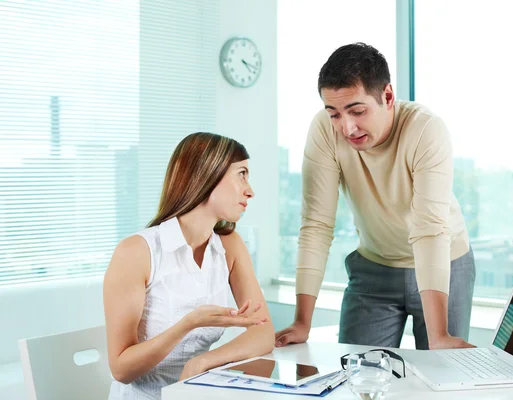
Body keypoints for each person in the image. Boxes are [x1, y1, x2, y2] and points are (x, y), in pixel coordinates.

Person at [275, 43, 476, 351]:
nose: (347, 127)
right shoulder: (324, 131)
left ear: (388, 96)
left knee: (441, 374)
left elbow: (430, 231)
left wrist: (439, 337)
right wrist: (302, 322)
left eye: (357, 111)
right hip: (374, 266)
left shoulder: (425, 130)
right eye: (334, 114)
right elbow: (316, 224)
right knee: (358, 376)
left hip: (444, 262)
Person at [104, 132, 275, 399]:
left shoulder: (230, 246)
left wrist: (202, 362)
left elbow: (263, 332)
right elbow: (121, 369)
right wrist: (188, 324)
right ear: (207, 174)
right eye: (241, 174)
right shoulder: (137, 252)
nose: (249, 190)